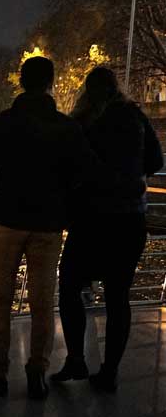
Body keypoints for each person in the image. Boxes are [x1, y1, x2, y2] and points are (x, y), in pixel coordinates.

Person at [0, 56, 99, 399]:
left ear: (21, 83)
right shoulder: (66, 128)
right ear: (51, 84)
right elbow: (84, 176)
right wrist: (66, 214)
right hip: (47, 224)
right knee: (43, 301)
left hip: (6, 220)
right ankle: (37, 373)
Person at [51, 67, 163, 392]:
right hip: (129, 220)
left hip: (90, 220)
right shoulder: (135, 117)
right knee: (118, 298)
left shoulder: (81, 121)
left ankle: (76, 359)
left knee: (70, 285)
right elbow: (155, 162)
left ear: (88, 90)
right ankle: (109, 371)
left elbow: (67, 166)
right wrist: (129, 171)